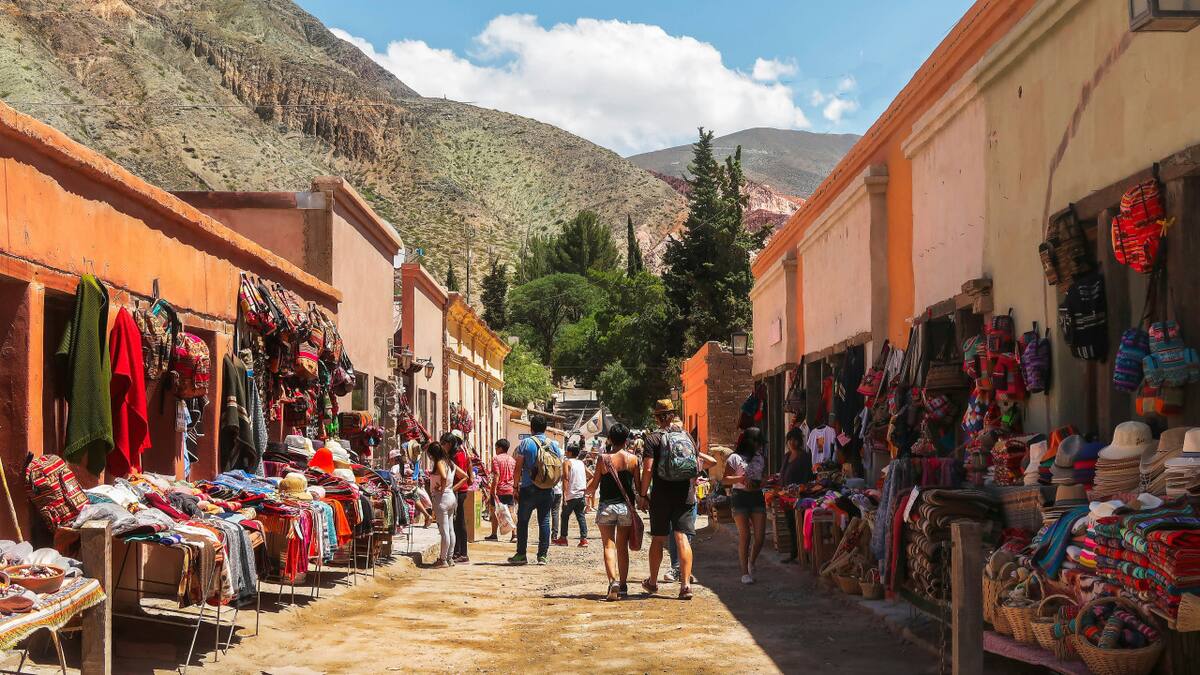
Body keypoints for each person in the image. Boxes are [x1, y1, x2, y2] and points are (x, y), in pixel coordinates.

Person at [638, 400, 713, 600]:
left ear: (657, 417)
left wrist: (643, 494)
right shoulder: (686, 435)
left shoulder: (652, 439)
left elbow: (647, 469)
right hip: (685, 494)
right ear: (672, 415)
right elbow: (696, 463)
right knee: (681, 538)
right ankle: (686, 585)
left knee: (659, 538)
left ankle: (653, 582)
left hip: (661, 495)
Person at [586, 423, 640, 600]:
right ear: (626, 440)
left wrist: (585, 490)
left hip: (607, 506)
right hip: (625, 507)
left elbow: (594, 485)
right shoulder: (633, 460)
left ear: (609, 439)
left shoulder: (603, 459)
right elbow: (638, 487)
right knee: (622, 546)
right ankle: (623, 585)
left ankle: (613, 582)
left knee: (608, 545)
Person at [509, 415, 562, 565]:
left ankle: (521, 554)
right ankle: (542, 556)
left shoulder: (526, 443)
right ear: (545, 428)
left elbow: (518, 466)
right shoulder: (554, 445)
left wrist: (515, 487)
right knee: (544, 521)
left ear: (531, 428)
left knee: (523, 521)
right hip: (547, 489)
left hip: (528, 488)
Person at [724, 427, 768, 584]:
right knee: (745, 536)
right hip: (740, 497)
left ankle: (752, 561)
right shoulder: (734, 458)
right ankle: (744, 573)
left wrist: (763, 482)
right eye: (758, 443)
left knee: (760, 537)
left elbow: (763, 477)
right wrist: (739, 479)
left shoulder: (760, 457)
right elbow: (725, 480)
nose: (759, 446)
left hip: (757, 496)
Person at [664, 417, 696, 584]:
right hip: (688, 495)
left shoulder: (664, 440)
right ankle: (685, 582)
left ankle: (676, 568)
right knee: (685, 537)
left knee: (673, 534)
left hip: (669, 494)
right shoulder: (689, 441)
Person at [427, 441, 469, 568]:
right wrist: (452, 488)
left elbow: (443, 476)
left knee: (444, 531)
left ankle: (443, 559)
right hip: (451, 497)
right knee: (450, 530)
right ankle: (449, 558)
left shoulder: (439, 462)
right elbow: (465, 476)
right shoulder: (450, 463)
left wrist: (442, 489)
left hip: (442, 498)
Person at [779, 427, 812, 563]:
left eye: (795, 440)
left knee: (801, 526)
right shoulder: (786, 456)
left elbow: (807, 476)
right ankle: (794, 553)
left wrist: (799, 490)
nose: (792, 442)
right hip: (787, 498)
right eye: (790, 440)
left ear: (799, 441)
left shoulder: (803, 456)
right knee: (791, 525)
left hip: (800, 498)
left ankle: (805, 555)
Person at [442, 432, 471, 563]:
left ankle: (463, 553)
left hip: (459, 492)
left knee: (459, 522)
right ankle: (457, 551)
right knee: (455, 523)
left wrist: (451, 489)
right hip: (457, 491)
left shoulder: (458, 456)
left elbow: (462, 477)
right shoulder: (460, 454)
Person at [557, 443, 590, 547]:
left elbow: (566, 478)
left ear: (570, 452)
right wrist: (586, 488)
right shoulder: (581, 463)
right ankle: (584, 539)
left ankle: (563, 538)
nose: (566, 452)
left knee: (564, 516)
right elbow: (592, 475)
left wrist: (564, 494)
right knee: (581, 516)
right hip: (580, 494)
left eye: (567, 451)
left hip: (571, 494)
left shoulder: (567, 462)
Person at [485, 438, 517, 542]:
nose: (495, 450)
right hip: (510, 489)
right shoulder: (512, 460)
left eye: (496, 448)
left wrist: (493, 490)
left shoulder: (496, 459)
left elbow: (497, 475)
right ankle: (514, 534)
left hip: (499, 490)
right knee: (511, 511)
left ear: (500, 448)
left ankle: (494, 534)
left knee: (495, 511)